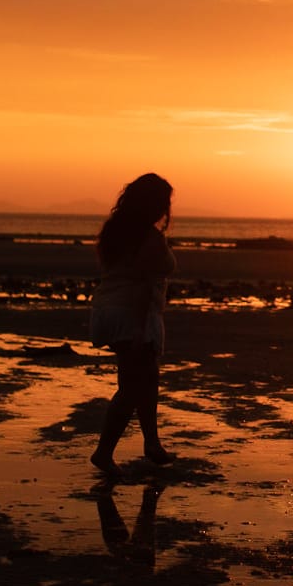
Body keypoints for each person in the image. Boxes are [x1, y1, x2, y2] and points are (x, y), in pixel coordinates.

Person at [88, 171, 176, 475]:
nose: (166, 207)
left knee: (146, 379)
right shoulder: (149, 238)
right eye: (163, 201)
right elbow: (141, 284)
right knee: (132, 387)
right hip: (131, 314)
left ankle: (152, 443)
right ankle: (103, 452)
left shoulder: (117, 230)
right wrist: (139, 328)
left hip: (111, 309)